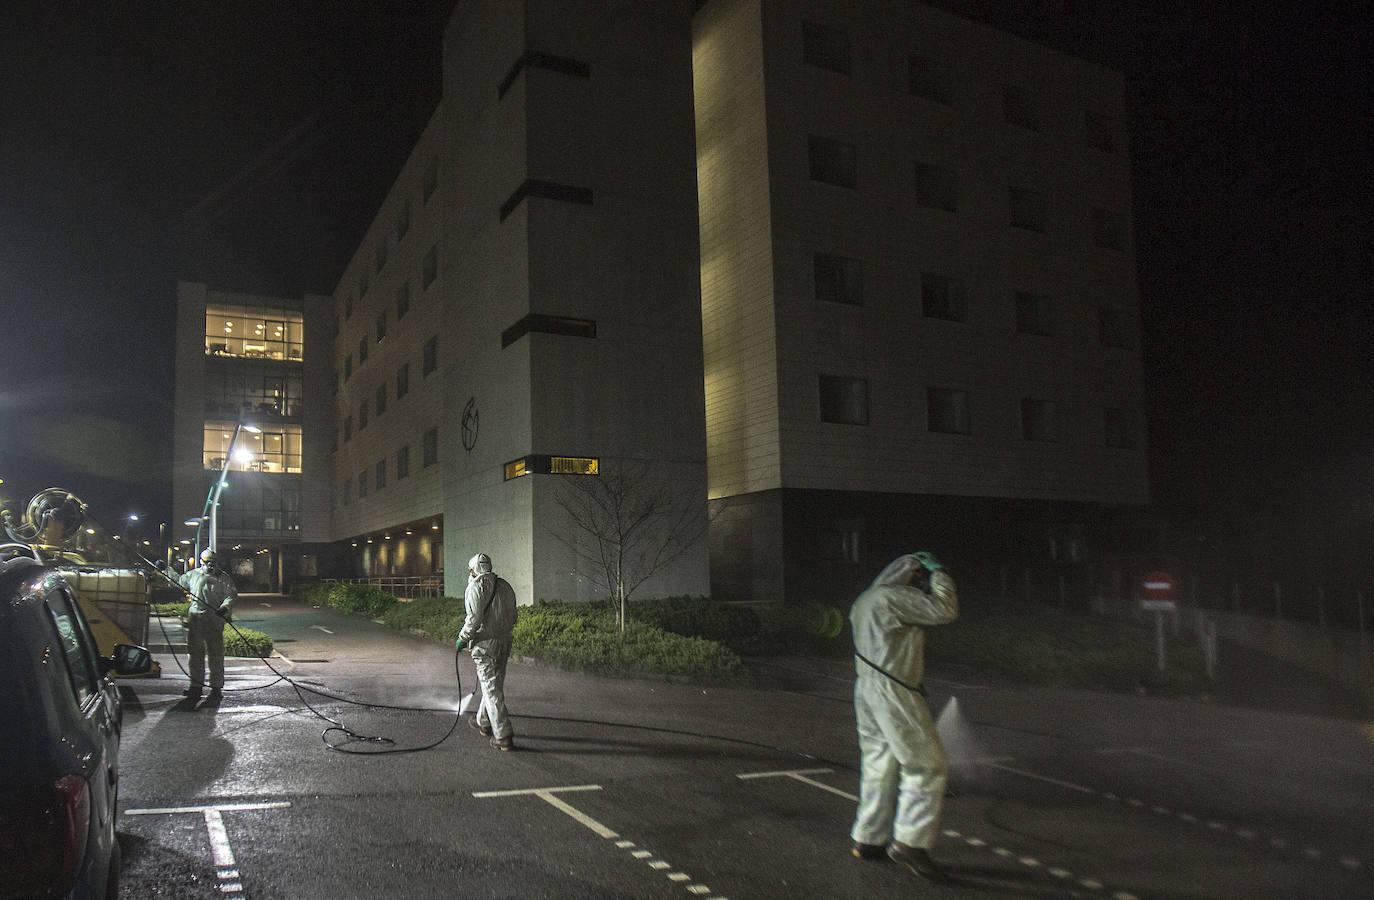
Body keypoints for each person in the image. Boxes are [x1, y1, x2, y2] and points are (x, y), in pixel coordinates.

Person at [849, 551, 958, 882]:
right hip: (894, 690)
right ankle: (910, 842)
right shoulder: (895, 598)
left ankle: (868, 837)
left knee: (878, 764)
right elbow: (945, 610)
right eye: (920, 579)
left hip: (865, 688)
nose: (921, 586)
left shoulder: (864, 600)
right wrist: (939, 574)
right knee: (927, 764)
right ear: (912, 576)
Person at [454, 553, 518, 751]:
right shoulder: (505, 585)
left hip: (485, 645)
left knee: (491, 689)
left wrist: (463, 638)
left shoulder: (477, 587)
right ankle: (484, 721)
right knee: (493, 685)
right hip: (504, 641)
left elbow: (473, 619)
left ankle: (503, 734)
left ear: (473, 570)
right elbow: (513, 615)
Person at [179, 548, 236, 702]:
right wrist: (163, 571)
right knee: (195, 655)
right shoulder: (193, 575)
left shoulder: (224, 578)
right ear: (201, 562)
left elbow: (230, 596)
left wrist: (224, 608)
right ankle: (196, 687)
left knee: (216, 655)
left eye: (213, 562)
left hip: (214, 620)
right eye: (207, 562)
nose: (210, 566)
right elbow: (177, 581)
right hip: (196, 618)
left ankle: (216, 688)